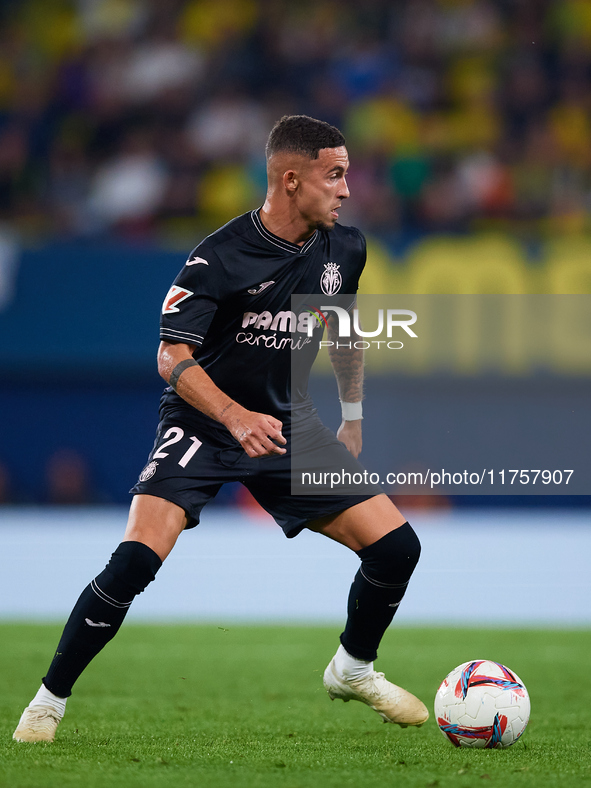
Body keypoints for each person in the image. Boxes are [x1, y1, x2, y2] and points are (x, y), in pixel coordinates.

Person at [14, 115, 428, 743]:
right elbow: (169, 357)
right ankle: (47, 702)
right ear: (291, 180)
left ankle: (353, 668)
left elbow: (342, 329)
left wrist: (353, 414)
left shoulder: (345, 247)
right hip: (206, 425)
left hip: (288, 425)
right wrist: (233, 416)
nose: (348, 190)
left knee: (398, 549)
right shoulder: (219, 256)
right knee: (134, 562)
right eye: (335, 176)